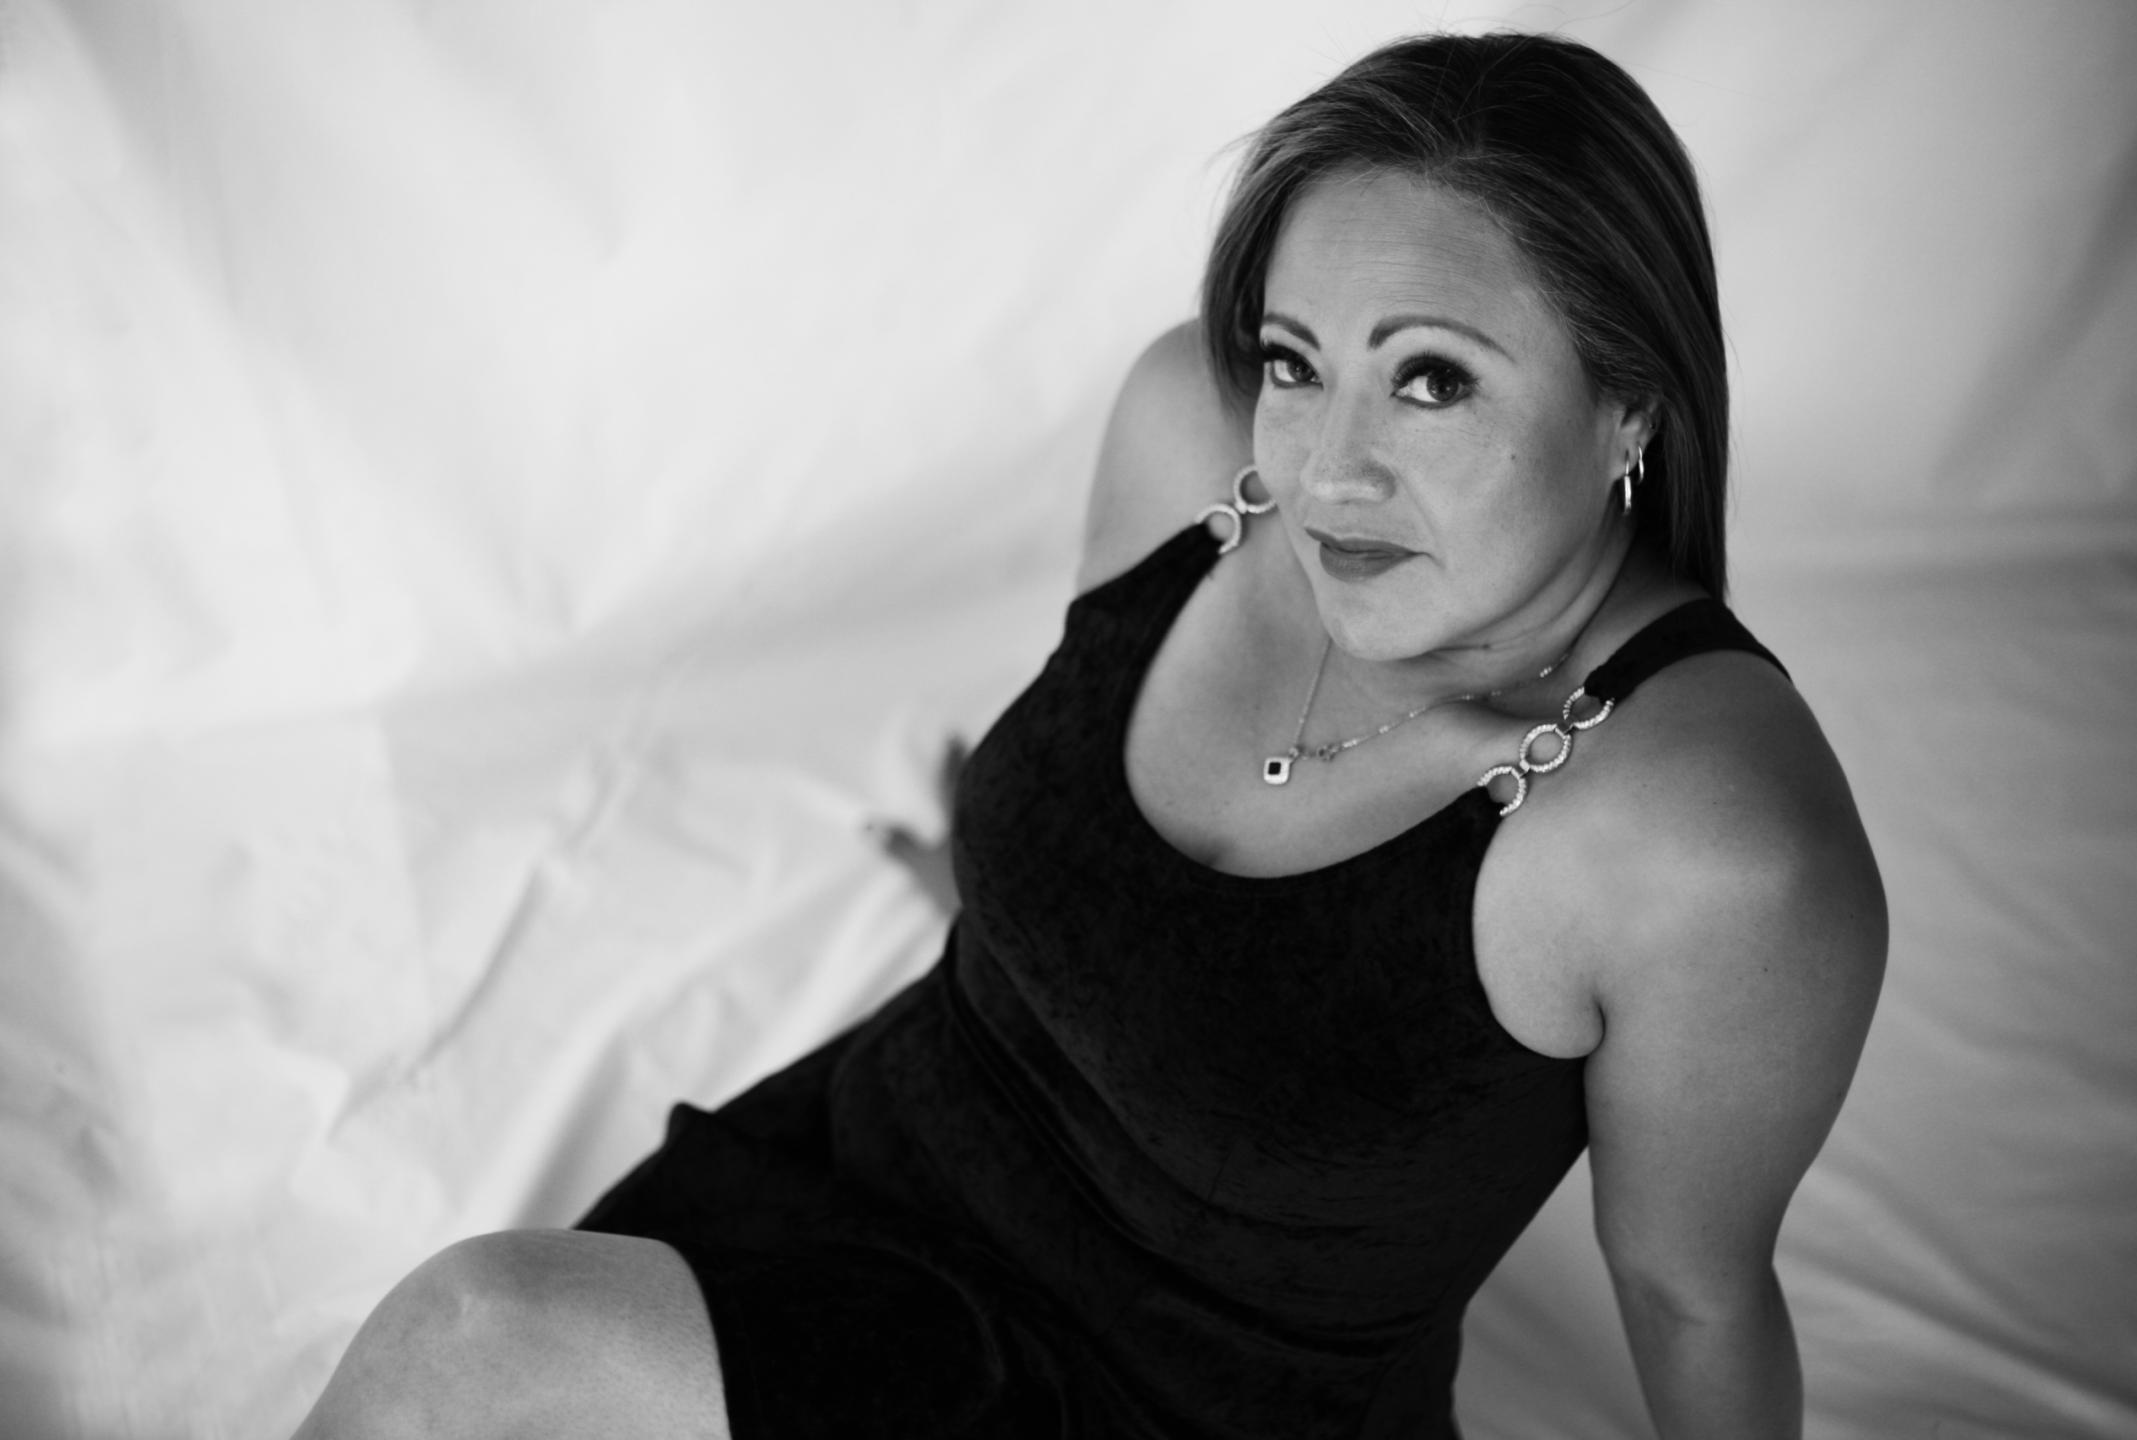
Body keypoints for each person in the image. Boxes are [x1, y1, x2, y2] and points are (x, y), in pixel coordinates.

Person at [292, 30, 1885, 1440]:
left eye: (1431, 382)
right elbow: (1152, 882)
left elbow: (1692, 1295)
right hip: (845, 1178)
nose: (1328, 470)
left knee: (473, 1338)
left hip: (1156, 1400)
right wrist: (1028, 898)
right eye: (1297, 361)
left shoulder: (1707, 841)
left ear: (1629, 406)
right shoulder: (1192, 442)